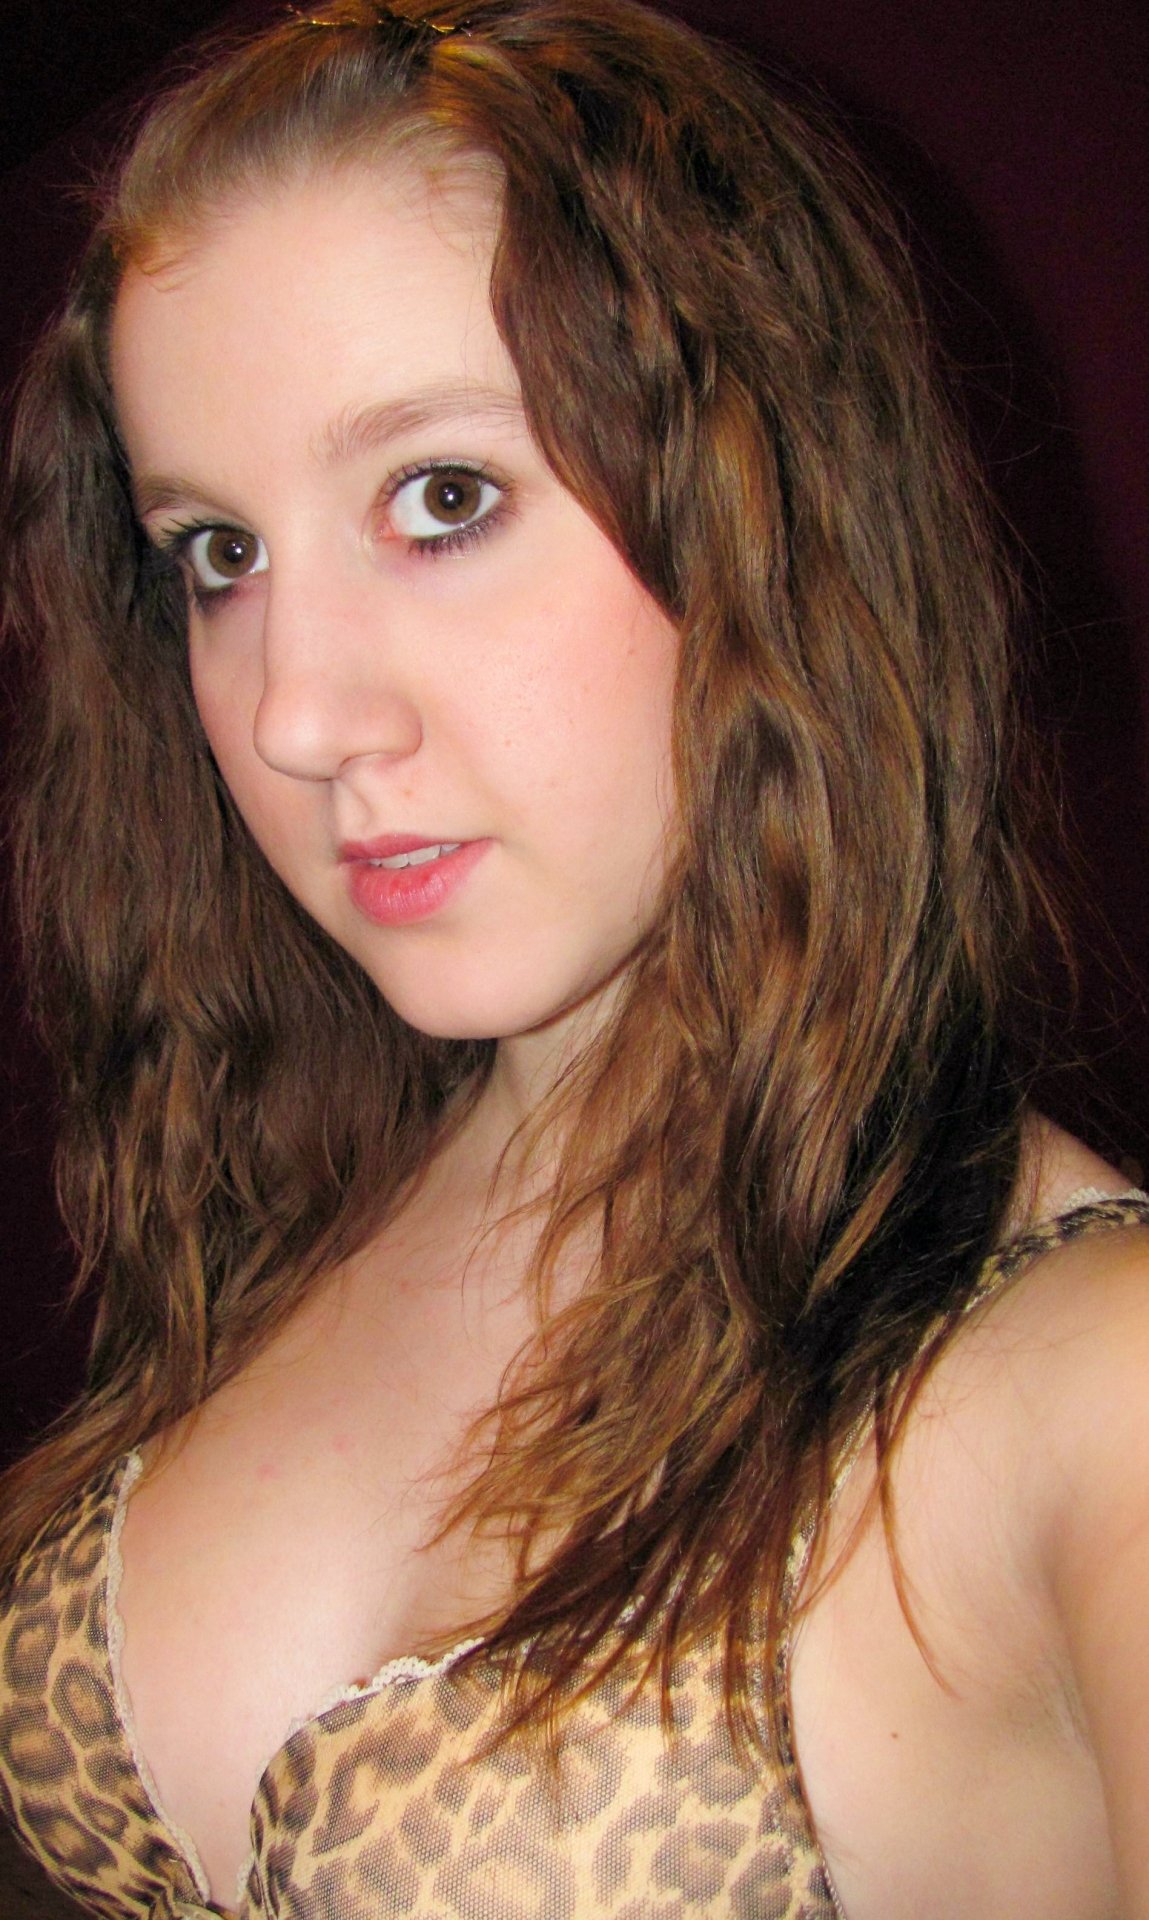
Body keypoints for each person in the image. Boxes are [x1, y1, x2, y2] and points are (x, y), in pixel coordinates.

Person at [0, 1, 1146, 1914]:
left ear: (769, 511)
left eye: (442, 499)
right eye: (218, 554)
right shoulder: (286, 1211)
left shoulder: (1089, 1381)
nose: (292, 714)